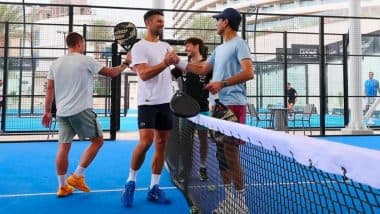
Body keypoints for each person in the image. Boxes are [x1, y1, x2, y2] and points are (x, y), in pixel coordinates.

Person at [173, 7, 254, 214]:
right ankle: (229, 201)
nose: (216, 23)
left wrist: (222, 83)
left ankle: (241, 204)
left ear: (225, 22)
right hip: (218, 107)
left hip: (233, 105)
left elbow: (249, 73)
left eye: (218, 20)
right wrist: (178, 62)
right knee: (220, 155)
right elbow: (201, 69)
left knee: (231, 153)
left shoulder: (239, 43)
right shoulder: (219, 49)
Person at [41, 32, 130, 197]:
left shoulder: (56, 63)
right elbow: (111, 73)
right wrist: (126, 63)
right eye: (84, 43)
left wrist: (47, 111)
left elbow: (50, 89)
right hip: (81, 111)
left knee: (63, 147)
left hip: (62, 113)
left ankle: (62, 186)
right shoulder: (86, 59)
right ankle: (77, 176)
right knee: (98, 141)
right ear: (80, 43)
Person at [120, 9, 178, 207]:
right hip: (147, 102)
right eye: (158, 21)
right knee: (145, 143)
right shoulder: (139, 47)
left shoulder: (166, 46)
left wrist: (179, 64)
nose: (162, 23)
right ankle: (130, 182)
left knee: (161, 143)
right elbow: (144, 74)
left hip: (166, 101)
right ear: (148, 23)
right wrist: (165, 62)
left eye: (163, 21)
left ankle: (154, 187)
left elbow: (173, 68)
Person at [171, 37, 212, 182]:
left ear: (197, 46)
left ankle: (203, 166)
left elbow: (214, 83)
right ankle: (185, 170)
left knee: (203, 140)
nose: (186, 49)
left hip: (203, 109)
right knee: (185, 141)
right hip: (185, 111)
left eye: (188, 46)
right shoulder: (183, 66)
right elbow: (169, 76)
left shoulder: (207, 65)